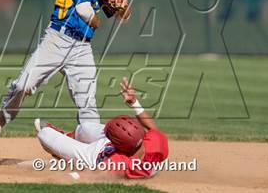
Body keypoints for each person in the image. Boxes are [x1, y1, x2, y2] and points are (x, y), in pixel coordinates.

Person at [0, 0, 130, 140]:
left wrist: (123, 6)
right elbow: (85, 11)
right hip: (57, 39)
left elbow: (121, 17)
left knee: (87, 103)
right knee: (23, 85)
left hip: (82, 47)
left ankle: (91, 152)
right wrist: (101, 15)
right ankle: (2, 116)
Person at [35, 77, 169, 179]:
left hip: (92, 156)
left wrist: (66, 178)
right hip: (126, 145)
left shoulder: (119, 163)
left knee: (45, 134)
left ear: (115, 145)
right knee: (85, 128)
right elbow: (152, 128)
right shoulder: (156, 141)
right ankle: (67, 136)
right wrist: (134, 103)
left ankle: (64, 155)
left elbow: (90, 174)